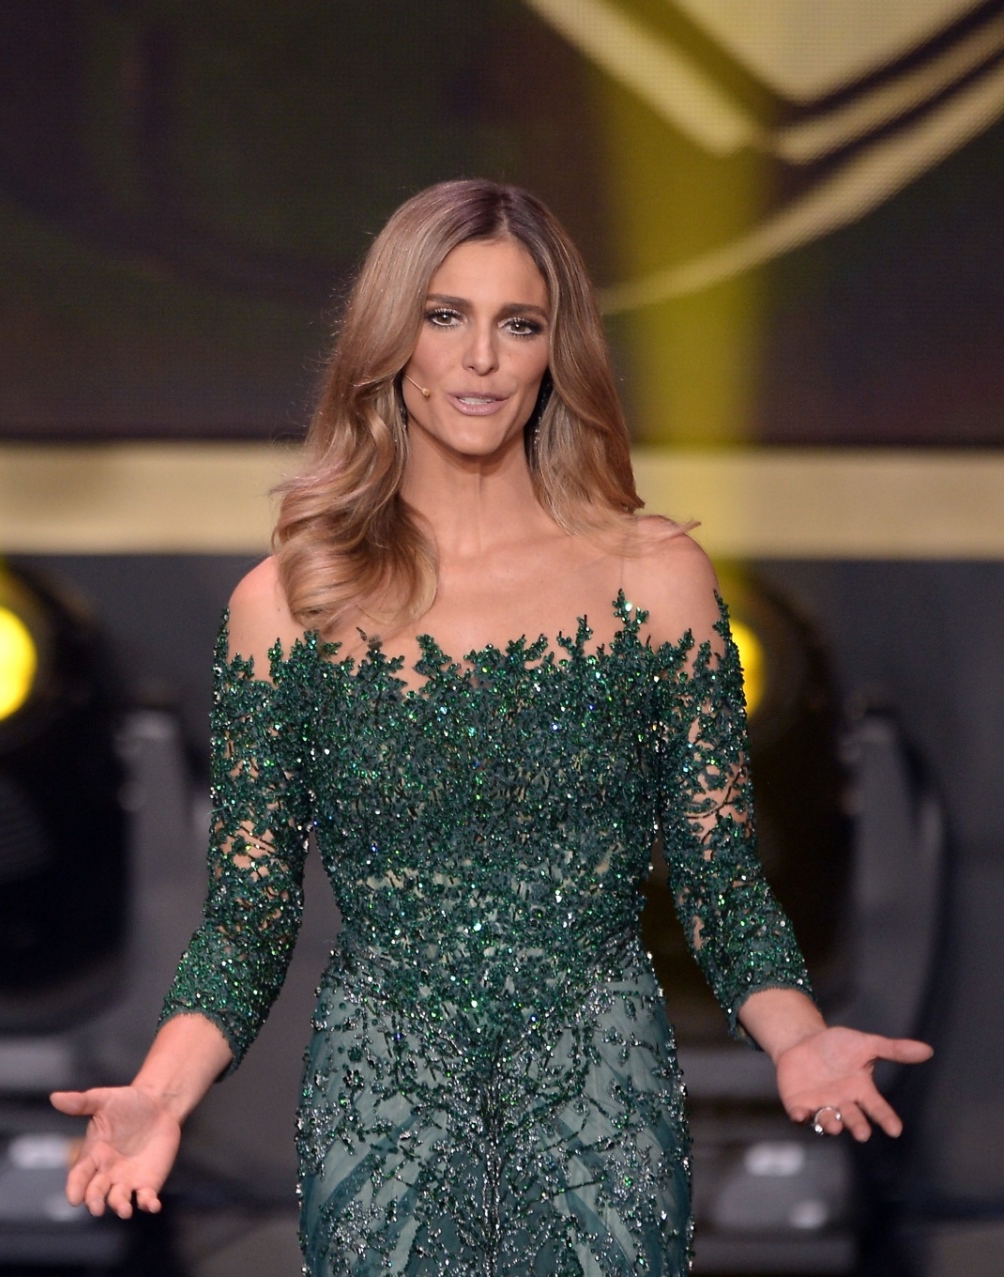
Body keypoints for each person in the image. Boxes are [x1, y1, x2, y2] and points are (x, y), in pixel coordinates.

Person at [51, 179, 932, 1274]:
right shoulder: (288, 603)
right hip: (383, 1102)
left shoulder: (652, 578)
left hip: (598, 1097)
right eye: (444, 316)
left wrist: (799, 1038)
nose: (480, 358)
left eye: (518, 324)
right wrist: (158, 1089)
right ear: (390, 340)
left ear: (554, 352)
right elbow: (246, 919)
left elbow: (719, 876)